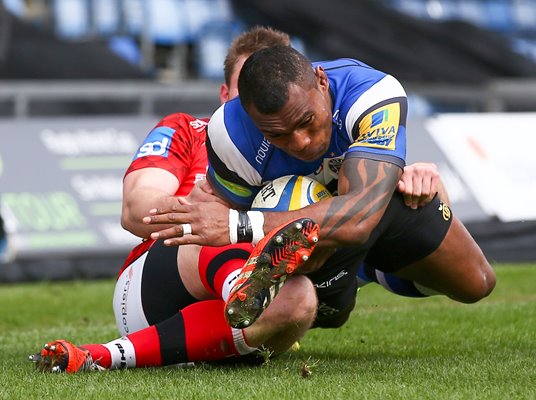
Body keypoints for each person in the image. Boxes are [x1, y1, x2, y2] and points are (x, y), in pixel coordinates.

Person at [29, 28, 453, 373]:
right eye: (250, 93)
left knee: (300, 297)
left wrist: (419, 185)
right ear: (226, 94)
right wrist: (197, 214)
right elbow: (136, 208)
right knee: (217, 234)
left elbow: (362, 216)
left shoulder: (318, 158)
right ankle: (245, 285)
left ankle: (116, 351)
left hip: (249, 325)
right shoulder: (187, 130)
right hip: (163, 279)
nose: (267, 108)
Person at [143, 46, 496, 330]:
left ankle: (363, 271)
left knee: (477, 283)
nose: (300, 142)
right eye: (277, 134)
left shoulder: (371, 94)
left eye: (306, 121)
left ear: (322, 82)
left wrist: (238, 224)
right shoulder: (229, 134)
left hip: (374, 215)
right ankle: (317, 290)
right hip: (310, 248)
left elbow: (360, 215)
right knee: (290, 195)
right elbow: (219, 223)